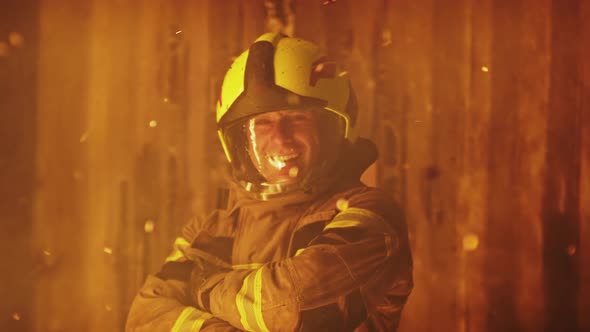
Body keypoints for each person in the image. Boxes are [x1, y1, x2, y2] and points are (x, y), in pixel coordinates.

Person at [126, 32, 413, 332]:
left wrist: (203, 288)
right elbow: (143, 318)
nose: (279, 138)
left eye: (296, 117)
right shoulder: (208, 230)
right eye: (261, 123)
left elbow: (293, 307)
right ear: (239, 142)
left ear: (331, 129)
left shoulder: (369, 215)